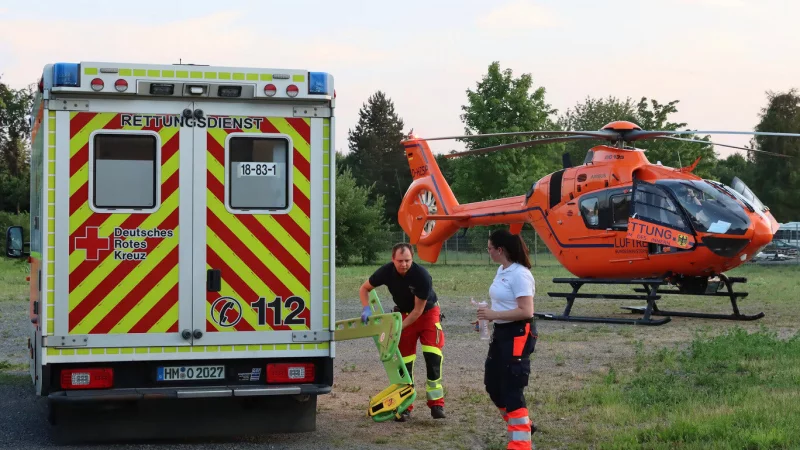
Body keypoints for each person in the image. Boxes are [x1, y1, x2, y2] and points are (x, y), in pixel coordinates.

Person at [359, 243, 446, 421]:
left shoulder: (422, 276)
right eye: (400, 261)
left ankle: (437, 404)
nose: (404, 264)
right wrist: (366, 308)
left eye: (407, 260)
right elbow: (364, 288)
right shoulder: (386, 271)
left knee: (433, 357)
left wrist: (396, 329)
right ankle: (405, 405)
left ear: (412, 259)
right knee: (404, 363)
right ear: (393, 259)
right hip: (403, 314)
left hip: (426, 314)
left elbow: (417, 312)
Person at [477, 229, 537, 450]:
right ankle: (523, 427)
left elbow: (526, 311)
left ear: (499, 250)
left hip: (519, 333)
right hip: (501, 332)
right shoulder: (502, 270)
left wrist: (495, 315)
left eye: (489, 248)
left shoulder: (520, 274)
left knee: (512, 387)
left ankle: (520, 444)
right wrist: (487, 318)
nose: (488, 251)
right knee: (492, 384)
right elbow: (503, 304)